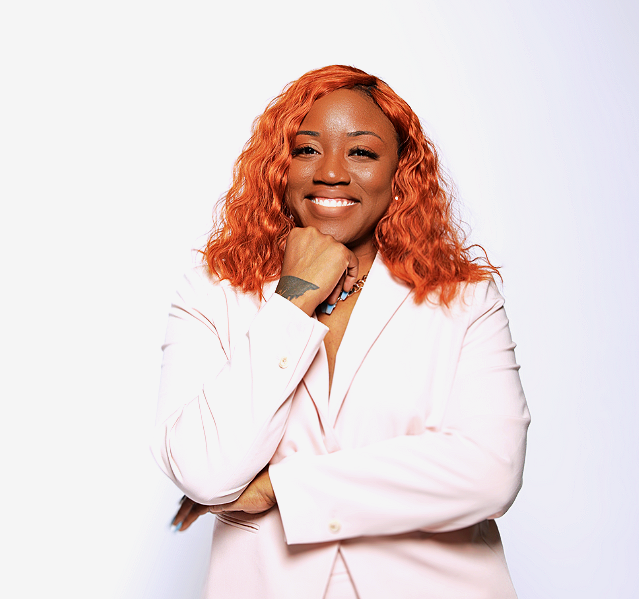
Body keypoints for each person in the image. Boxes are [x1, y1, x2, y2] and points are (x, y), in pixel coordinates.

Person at [150, 65, 529, 599]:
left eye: (362, 152)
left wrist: (282, 488)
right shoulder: (212, 294)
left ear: (400, 172)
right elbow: (204, 471)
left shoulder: (464, 299)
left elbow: (490, 471)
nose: (330, 172)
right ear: (279, 167)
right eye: (306, 150)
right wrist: (293, 299)